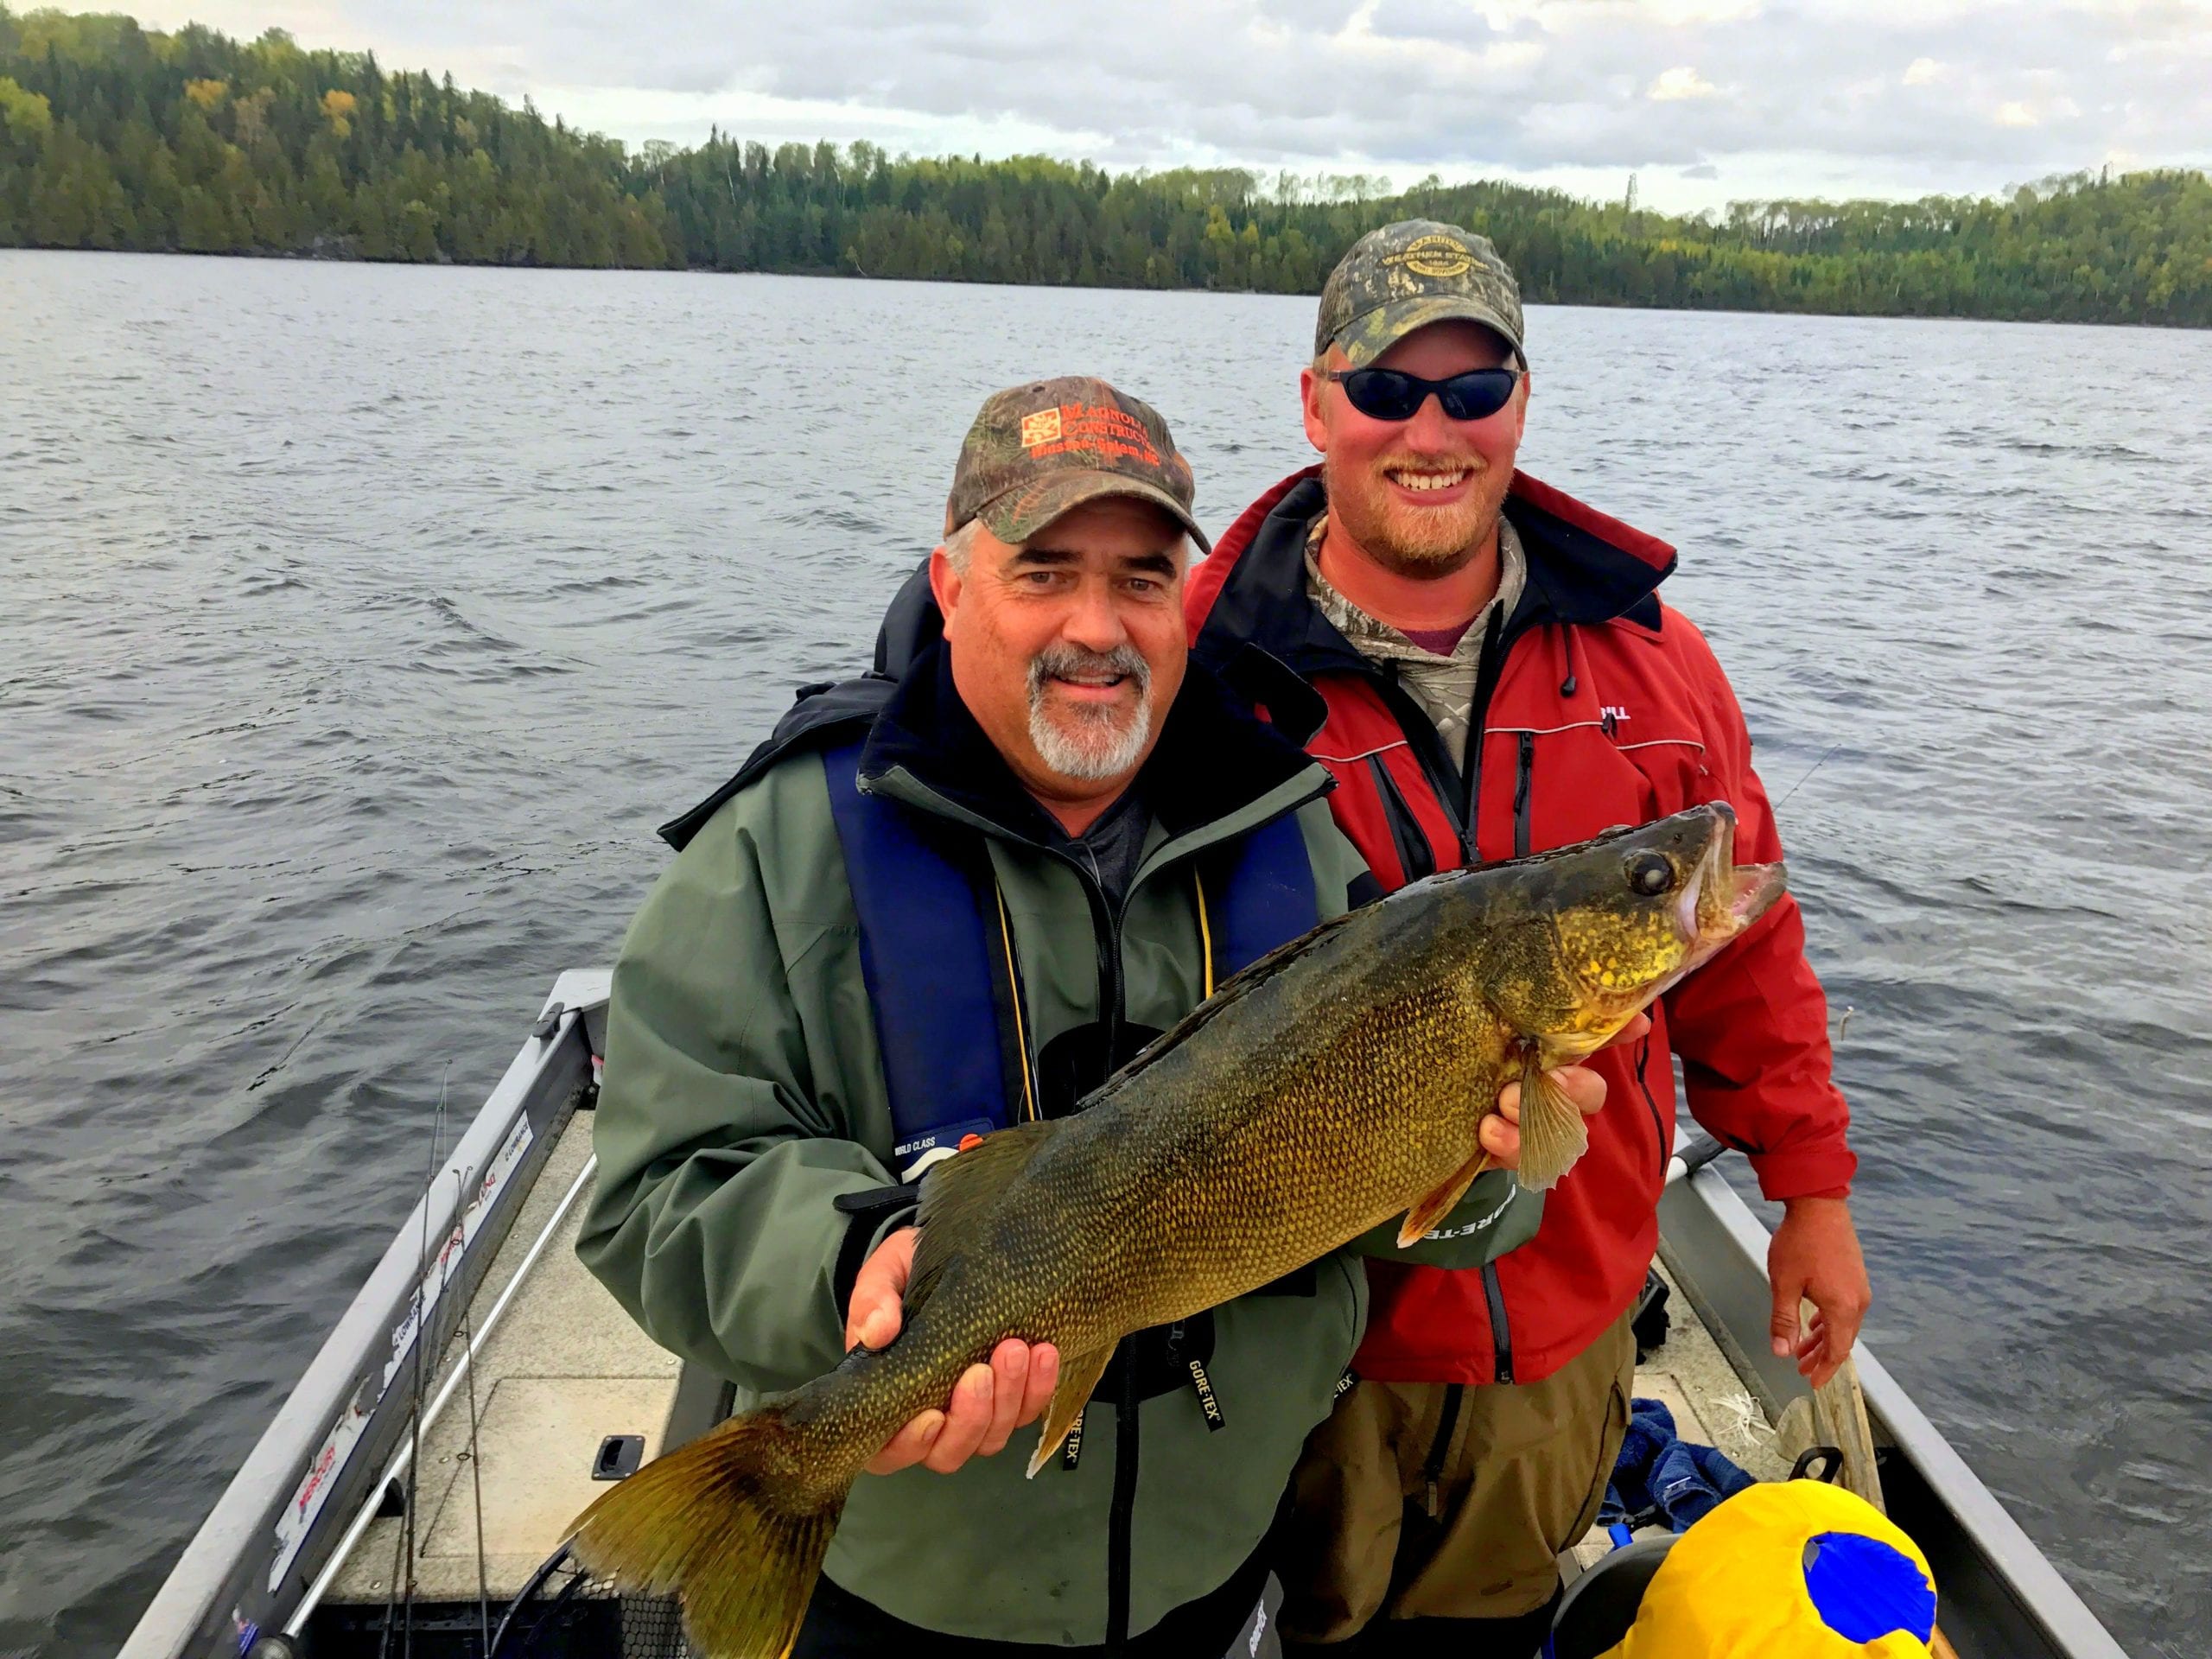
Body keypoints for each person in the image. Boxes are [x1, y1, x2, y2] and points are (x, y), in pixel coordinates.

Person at [575, 374, 1594, 1657]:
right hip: (906, 1599)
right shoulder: (775, 850)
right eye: (1045, 572)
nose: (1097, 626)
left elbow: (1437, 1228)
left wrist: (1496, 1164)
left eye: (1143, 579)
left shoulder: (1293, 832)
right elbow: (654, 1191)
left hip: (1208, 1571)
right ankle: (765, 1499)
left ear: (1186, 604)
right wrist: (858, 1262)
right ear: (951, 588)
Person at [1187, 221, 1872, 1656]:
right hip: (1299, 1340)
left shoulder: (1656, 664)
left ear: (1520, 405)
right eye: (1386, 391)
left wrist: (1809, 1190)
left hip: (1558, 1341)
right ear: (1317, 405)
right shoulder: (1199, 672)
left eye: (1473, 387)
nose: (1429, 430)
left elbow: (1746, 952)